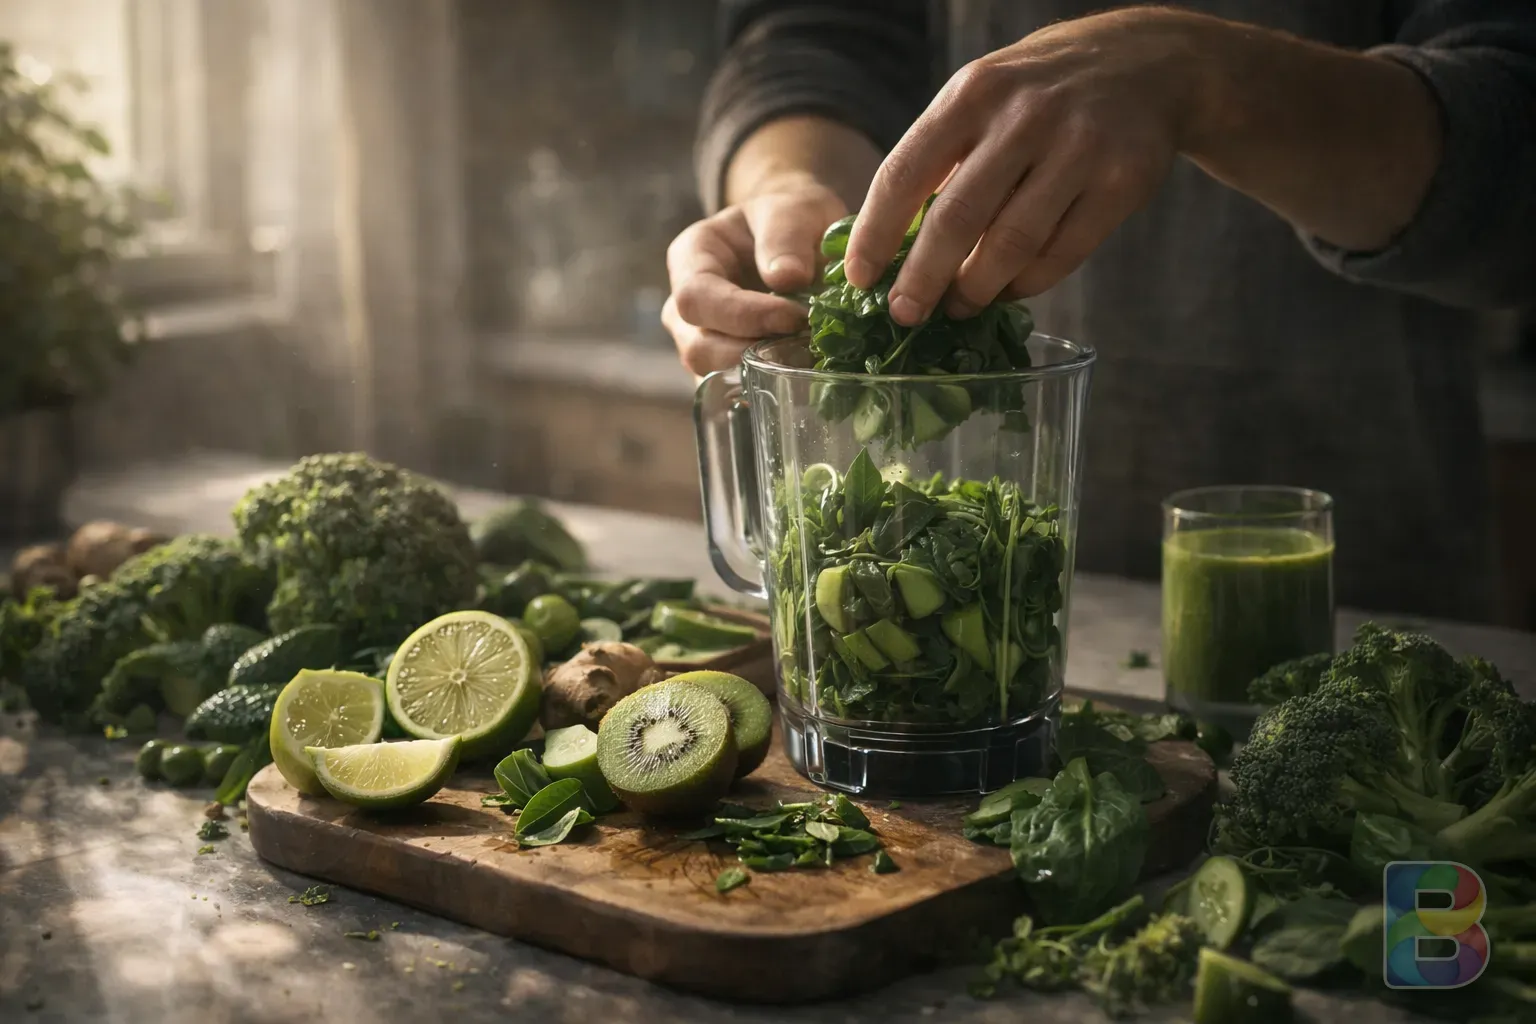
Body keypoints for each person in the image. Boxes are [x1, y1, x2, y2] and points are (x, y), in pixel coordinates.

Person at [661, 1, 1536, 622]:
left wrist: (1202, 75)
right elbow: (816, 34)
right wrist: (788, 185)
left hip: (1362, 600)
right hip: (987, 642)